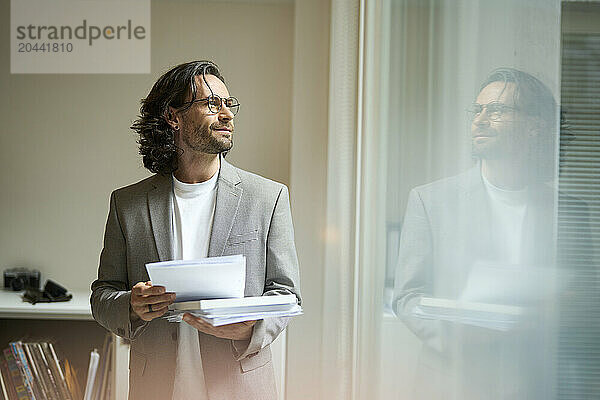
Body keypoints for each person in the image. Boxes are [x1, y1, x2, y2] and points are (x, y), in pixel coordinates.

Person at [91, 60, 301, 400]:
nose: (227, 114)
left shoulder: (269, 197)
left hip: (240, 387)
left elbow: (286, 294)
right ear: (174, 117)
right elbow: (102, 296)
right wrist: (132, 304)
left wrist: (249, 329)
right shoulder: (126, 204)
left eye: (228, 104)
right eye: (211, 104)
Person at [393, 68, 569, 399]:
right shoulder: (431, 201)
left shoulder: (567, 211)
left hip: (536, 382)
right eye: (477, 110)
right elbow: (407, 297)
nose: (480, 120)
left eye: (498, 110)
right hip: (452, 381)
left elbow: (583, 305)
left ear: (535, 125)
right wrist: (456, 337)